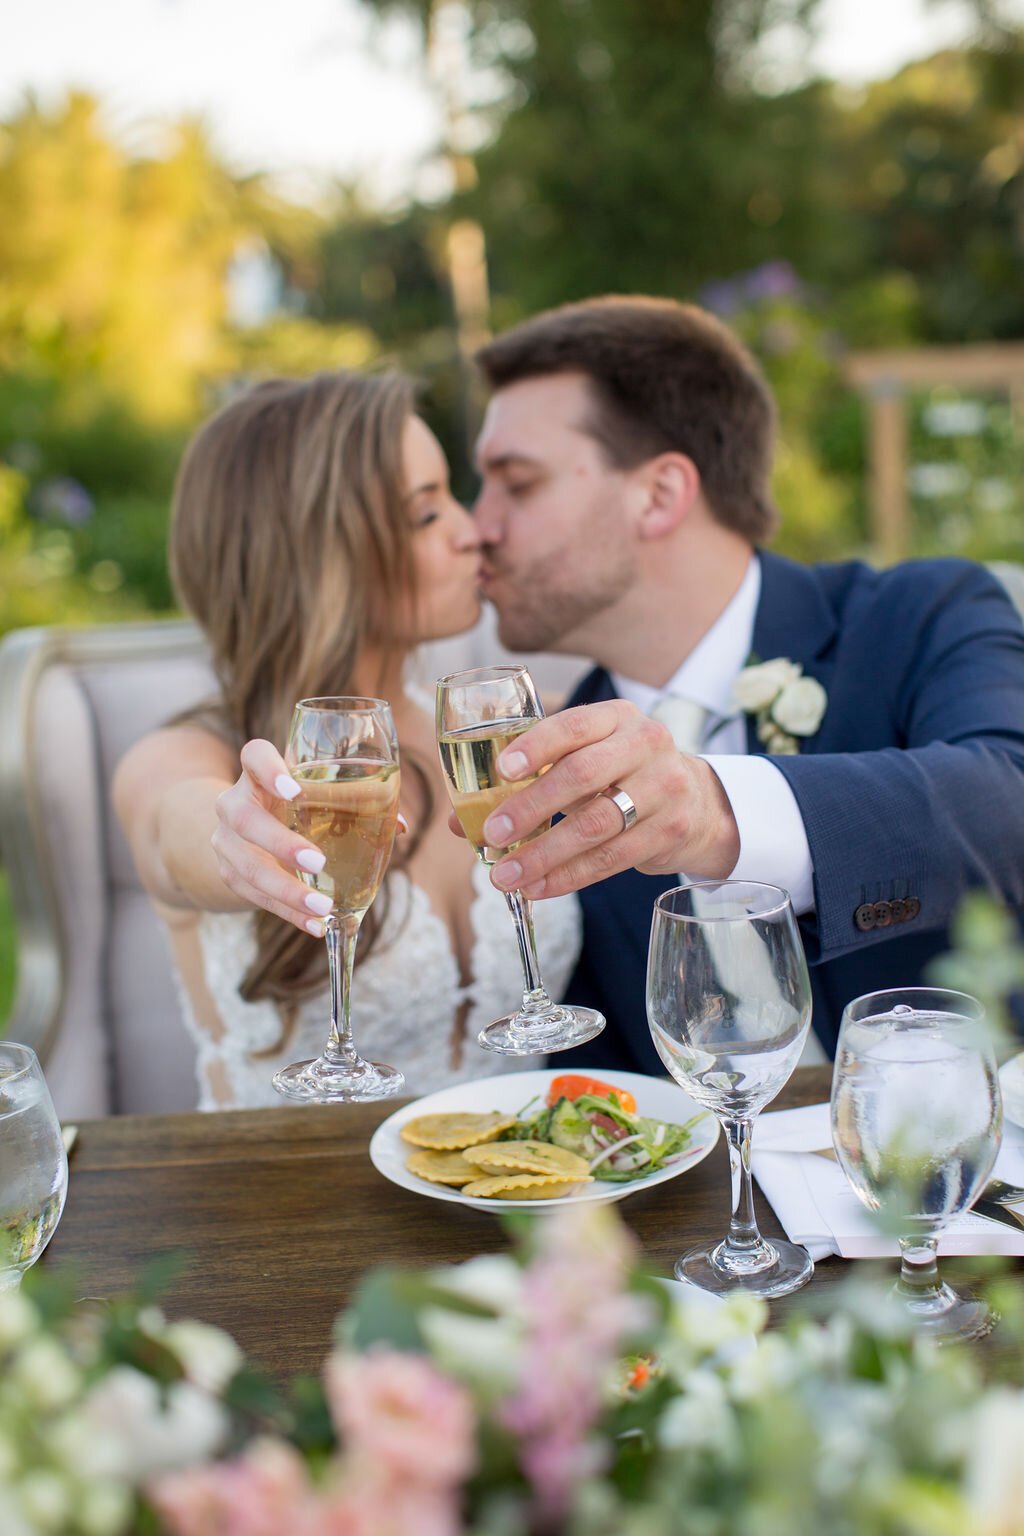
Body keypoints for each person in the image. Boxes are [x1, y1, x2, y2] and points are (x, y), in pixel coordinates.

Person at [463, 294, 1024, 1066]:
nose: (475, 526)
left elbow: (1010, 802)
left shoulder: (921, 616)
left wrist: (713, 812)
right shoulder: (547, 770)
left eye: (516, 483)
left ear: (659, 495)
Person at [113, 370, 581, 1108]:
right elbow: (179, 831)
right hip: (291, 1211)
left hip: (515, 1208)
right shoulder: (185, 760)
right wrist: (232, 834)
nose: (472, 530)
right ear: (320, 559)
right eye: (426, 516)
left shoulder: (507, 739)